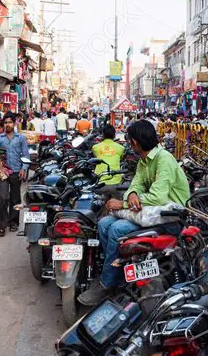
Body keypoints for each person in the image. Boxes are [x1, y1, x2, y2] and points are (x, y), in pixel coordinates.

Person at [79, 120, 190, 305]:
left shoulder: (164, 159)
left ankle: (107, 283)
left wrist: (123, 204)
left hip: (169, 217)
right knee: (104, 223)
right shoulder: (143, 162)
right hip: (150, 213)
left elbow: (158, 197)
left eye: (130, 140)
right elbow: (135, 185)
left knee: (117, 229)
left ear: (135, 142)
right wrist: (131, 194)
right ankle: (118, 274)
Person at [0, 114, 29, 237]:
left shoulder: (21, 138)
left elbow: (25, 155)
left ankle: (14, 222)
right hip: (2, 172)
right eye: (5, 122)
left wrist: (23, 169)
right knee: (3, 198)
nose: (7, 124)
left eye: (10, 122)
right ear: (3, 124)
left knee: (15, 198)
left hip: (16, 171)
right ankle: (2, 224)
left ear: (14, 124)